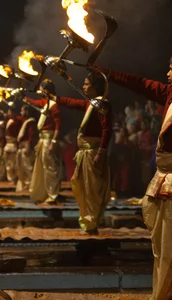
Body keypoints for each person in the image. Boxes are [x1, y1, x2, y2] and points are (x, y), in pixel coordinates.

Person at [91, 51, 172, 299]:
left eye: (171, 69)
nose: (167, 74)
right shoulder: (171, 93)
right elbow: (140, 84)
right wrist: (107, 73)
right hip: (165, 179)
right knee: (162, 248)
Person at [57, 73, 113, 234]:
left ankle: (92, 224)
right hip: (85, 154)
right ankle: (88, 223)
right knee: (83, 189)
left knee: (92, 191)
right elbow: (72, 102)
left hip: (93, 154)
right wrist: (54, 98)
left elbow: (106, 129)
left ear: (95, 87)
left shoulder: (102, 105)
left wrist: (100, 153)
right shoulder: (91, 104)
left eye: (87, 84)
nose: (83, 87)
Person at [24, 79, 62, 205]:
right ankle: (44, 194)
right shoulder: (46, 103)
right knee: (42, 168)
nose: (39, 91)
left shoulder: (53, 105)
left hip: (48, 140)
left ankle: (52, 196)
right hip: (43, 140)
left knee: (50, 169)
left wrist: (53, 142)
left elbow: (58, 126)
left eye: (41, 89)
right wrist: (23, 97)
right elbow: (34, 102)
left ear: (45, 90)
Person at [15, 105, 36, 192]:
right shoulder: (25, 121)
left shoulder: (31, 122)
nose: (21, 113)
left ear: (27, 111)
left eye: (22, 111)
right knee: (22, 168)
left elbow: (31, 135)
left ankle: (31, 185)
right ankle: (25, 185)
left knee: (28, 167)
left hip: (27, 147)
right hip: (22, 147)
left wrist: (28, 146)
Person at [3, 108, 22, 183]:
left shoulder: (16, 121)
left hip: (13, 144)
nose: (8, 113)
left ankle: (14, 178)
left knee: (13, 163)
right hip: (7, 144)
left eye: (9, 112)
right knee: (8, 163)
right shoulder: (8, 121)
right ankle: (10, 178)